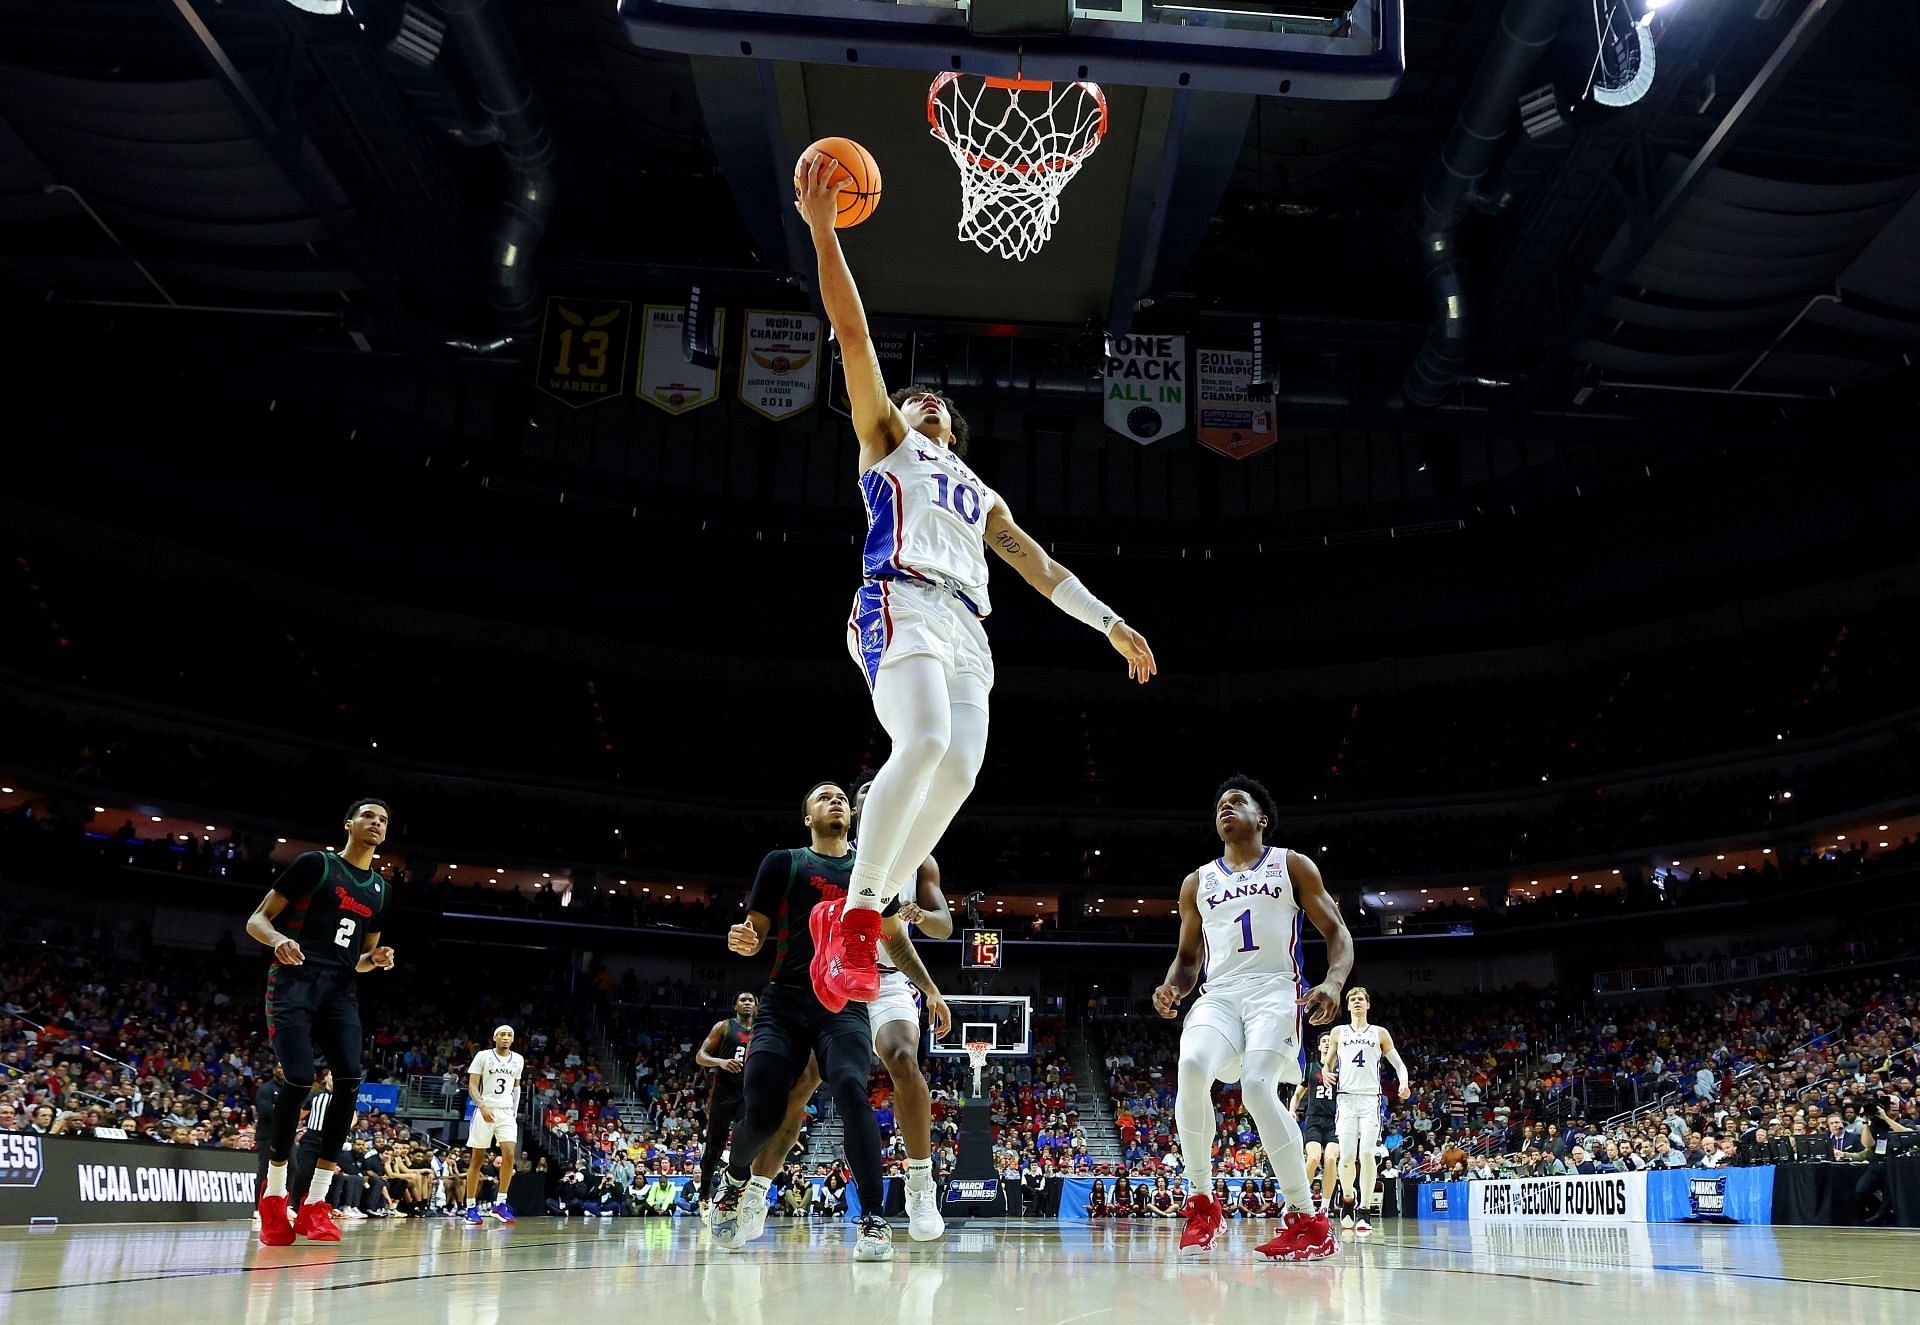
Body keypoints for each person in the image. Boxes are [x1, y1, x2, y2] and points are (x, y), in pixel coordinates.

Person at [793, 154, 1158, 1013]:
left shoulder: (982, 491)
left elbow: (1037, 563)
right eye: (915, 397)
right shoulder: (887, 441)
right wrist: (822, 231)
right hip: (899, 596)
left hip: (969, 629)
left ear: (954, 428)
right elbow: (853, 336)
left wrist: (1107, 623)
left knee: (956, 770)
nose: (923, 403)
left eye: (936, 404)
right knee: (918, 743)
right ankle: (855, 916)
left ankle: (867, 910)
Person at [704, 781, 951, 1262]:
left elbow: (909, 932)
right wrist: (748, 939)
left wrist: (930, 987)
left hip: (866, 988)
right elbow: (757, 927)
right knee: (781, 1102)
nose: (840, 801)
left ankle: (898, 1201)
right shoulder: (794, 860)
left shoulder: (895, 863)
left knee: (876, 1073)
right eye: (829, 796)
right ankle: (749, 1190)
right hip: (801, 992)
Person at [1152, 776, 1353, 1262]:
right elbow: (1186, 958)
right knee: (1192, 1067)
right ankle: (1202, 1203)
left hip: (1275, 991)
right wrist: (1172, 986)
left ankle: (1308, 1220)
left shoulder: (1291, 864)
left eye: (1237, 801)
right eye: (1220, 803)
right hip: (1219, 994)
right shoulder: (1197, 881)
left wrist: (1332, 983)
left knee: (1258, 1088)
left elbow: (1337, 932)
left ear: (1261, 819)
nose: (1226, 807)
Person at [247, 798, 397, 1246]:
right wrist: (278, 941)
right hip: (295, 979)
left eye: (384, 820)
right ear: (348, 823)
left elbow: (363, 959)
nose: (376, 824)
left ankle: (316, 1203)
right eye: (368, 816)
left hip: (339, 987)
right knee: (298, 1078)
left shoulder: (382, 890)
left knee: (350, 1078)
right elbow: (257, 919)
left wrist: (378, 958)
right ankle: (274, 1198)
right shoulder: (316, 865)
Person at [1331, 986, 1409, 1237]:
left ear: (1368, 1004)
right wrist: (1326, 1073)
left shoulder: (1379, 1033)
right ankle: (1347, 1200)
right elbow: (1327, 1062)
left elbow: (1398, 1063)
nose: (1356, 1002)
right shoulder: (1338, 1032)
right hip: (1345, 1099)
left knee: (1366, 1153)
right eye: (1352, 999)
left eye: (1360, 999)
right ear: (1348, 1005)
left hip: (1370, 1100)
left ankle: (1364, 1211)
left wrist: (1404, 1082)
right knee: (1346, 1156)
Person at [695, 992, 757, 1201]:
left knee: (746, 1141)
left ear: (756, 1007)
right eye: (743, 1000)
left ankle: (737, 1191)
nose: (747, 1003)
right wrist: (720, 1062)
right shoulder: (724, 1026)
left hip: (747, 1093)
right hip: (724, 1092)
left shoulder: (762, 1030)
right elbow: (700, 1056)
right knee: (715, 1144)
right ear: (735, 1006)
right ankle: (704, 1193)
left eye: (751, 1001)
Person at [464, 1024, 525, 1224]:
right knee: (477, 1159)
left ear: (513, 1039)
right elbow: (473, 1085)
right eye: (502, 1035)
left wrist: (513, 1113)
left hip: (506, 1112)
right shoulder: (483, 1056)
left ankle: (500, 1203)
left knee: (509, 1156)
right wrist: (481, 1105)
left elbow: (516, 1088)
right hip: (485, 1109)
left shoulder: (518, 1059)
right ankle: (471, 1207)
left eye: (509, 1035)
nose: (506, 1038)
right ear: (495, 1038)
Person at [1292, 1032, 1340, 1214]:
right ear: (1319, 1047)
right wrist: (1292, 1110)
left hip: (1335, 1121)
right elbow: (1297, 1094)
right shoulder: (1311, 1067)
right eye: (1324, 1041)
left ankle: (1325, 1208)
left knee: (1330, 1159)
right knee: (1313, 1158)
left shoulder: (1342, 1069)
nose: (1327, 1043)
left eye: (1330, 1041)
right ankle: (1299, 1202)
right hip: (1313, 1119)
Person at [252, 1065, 291, 1234]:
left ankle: (285, 1205)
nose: (282, 1070)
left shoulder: (290, 1089)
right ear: (274, 1069)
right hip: (267, 1135)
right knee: (264, 1171)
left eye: (285, 1067)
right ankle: (257, 1208)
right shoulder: (266, 1089)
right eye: (279, 1067)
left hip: (285, 1135)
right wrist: (286, 1114)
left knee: (293, 1167)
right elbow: (266, 1112)